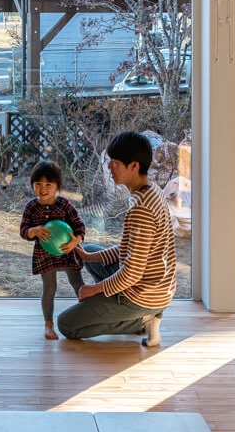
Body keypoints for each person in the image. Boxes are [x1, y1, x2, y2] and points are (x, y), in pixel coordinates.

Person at [57, 132, 177, 347]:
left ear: (134, 166)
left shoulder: (142, 209)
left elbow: (132, 273)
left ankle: (141, 320)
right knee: (91, 250)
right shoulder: (151, 191)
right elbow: (129, 249)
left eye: (115, 163)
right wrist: (88, 256)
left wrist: (94, 289)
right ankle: (123, 307)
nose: (109, 167)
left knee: (66, 324)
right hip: (157, 286)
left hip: (145, 294)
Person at [18, 160, 87, 340]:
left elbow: (79, 226)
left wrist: (76, 240)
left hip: (68, 252)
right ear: (32, 184)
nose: (43, 189)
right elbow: (23, 231)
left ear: (57, 185)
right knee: (49, 289)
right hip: (45, 256)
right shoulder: (31, 207)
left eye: (48, 184)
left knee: (78, 285)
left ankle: (88, 317)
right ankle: (48, 325)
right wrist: (34, 231)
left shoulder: (65, 205)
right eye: (38, 184)